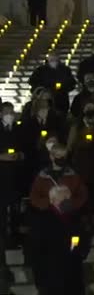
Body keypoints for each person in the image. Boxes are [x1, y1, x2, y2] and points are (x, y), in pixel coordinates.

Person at [30, 185, 90, 295]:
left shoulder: (75, 217)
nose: (67, 201)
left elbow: (83, 237)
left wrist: (81, 250)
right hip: (52, 278)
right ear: (53, 200)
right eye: (64, 198)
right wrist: (40, 280)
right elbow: (36, 251)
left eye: (68, 197)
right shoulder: (42, 221)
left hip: (73, 275)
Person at [0, 103, 24, 293]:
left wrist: (19, 155)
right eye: (6, 113)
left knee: (15, 210)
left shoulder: (18, 129)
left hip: (15, 178)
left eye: (11, 113)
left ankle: (14, 236)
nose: (10, 116)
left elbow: (25, 149)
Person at [30, 143, 88, 211]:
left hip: (69, 216)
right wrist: (50, 202)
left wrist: (70, 203)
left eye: (64, 156)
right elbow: (34, 197)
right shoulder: (43, 176)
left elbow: (83, 195)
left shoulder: (73, 175)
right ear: (51, 156)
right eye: (58, 155)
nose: (62, 158)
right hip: (47, 215)